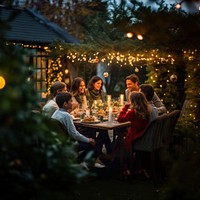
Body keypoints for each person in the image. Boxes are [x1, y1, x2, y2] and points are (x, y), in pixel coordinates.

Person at [51, 92, 111, 165]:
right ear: (65, 104)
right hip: (70, 144)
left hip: (60, 142)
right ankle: (84, 161)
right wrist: (88, 140)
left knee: (91, 133)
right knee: (99, 137)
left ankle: (96, 159)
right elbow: (74, 134)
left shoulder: (56, 113)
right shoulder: (66, 116)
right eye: (71, 101)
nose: (72, 102)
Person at [113, 91, 151, 178]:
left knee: (120, 139)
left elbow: (120, 119)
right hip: (142, 135)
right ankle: (114, 157)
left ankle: (124, 167)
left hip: (134, 137)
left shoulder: (133, 112)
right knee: (121, 134)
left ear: (133, 101)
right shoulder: (147, 111)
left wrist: (126, 106)